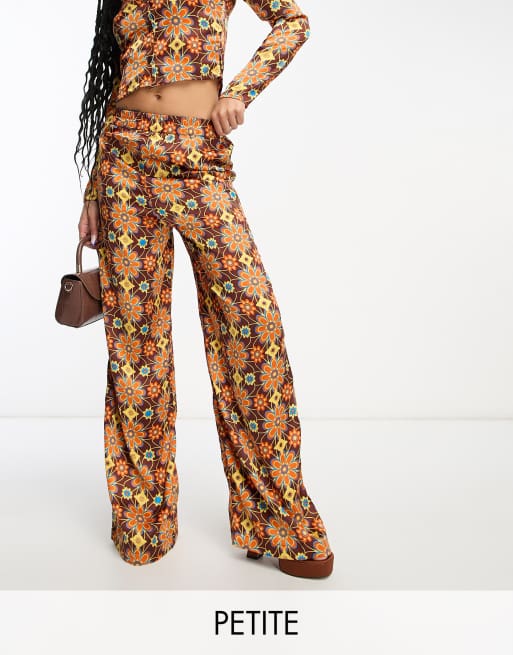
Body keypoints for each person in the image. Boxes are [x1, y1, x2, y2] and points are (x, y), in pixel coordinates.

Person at [75, 0, 334, 578]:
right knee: (136, 349)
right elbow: (116, 81)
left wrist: (240, 90)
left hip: (199, 159)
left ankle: (278, 521)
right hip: (123, 163)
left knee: (253, 324)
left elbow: (293, 20)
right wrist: (93, 190)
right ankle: (143, 521)